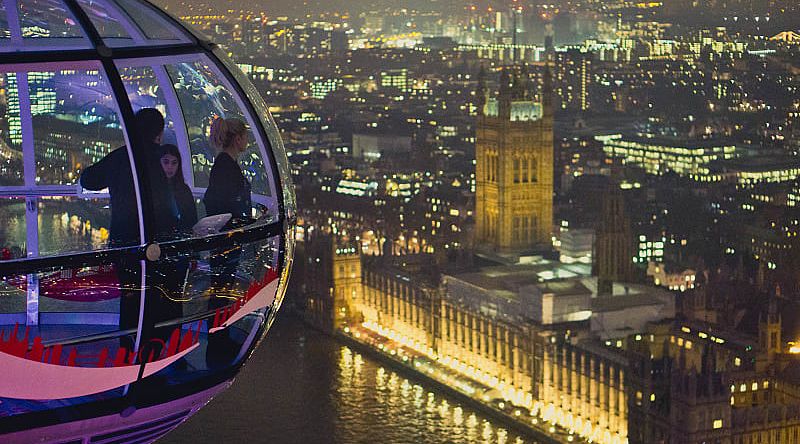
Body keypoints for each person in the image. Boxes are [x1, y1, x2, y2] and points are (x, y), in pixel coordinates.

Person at [203, 117, 252, 226]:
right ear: (238, 139)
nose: (247, 141)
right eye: (245, 137)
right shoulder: (226, 167)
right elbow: (225, 204)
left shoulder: (225, 163)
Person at [160, 144, 198, 232]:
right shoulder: (153, 191)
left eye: (174, 163)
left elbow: (192, 220)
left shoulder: (184, 189)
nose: (170, 167)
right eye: (166, 162)